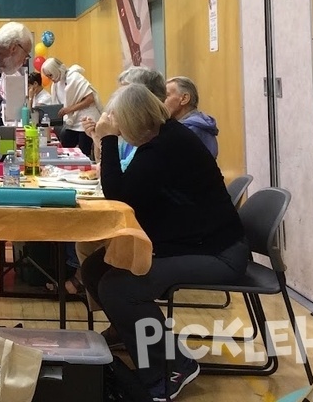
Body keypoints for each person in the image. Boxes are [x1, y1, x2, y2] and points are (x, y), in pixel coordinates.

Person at [78, 83, 247, 400]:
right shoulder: (161, 139)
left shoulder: (167, 146)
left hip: (218, 253)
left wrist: (108, 139)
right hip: (189, 241)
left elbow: (120, 196)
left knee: (118, 287)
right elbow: (130, 193)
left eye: (121, 123)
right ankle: (127, 332)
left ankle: (173, 366)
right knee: (94, 269)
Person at [41, 58, 102, 156]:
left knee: (84, 151)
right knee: (66, 143)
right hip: (72, 119)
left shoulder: (74, 77)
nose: (50, 78)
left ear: (56, 70)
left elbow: (90, 98)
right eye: (48, 76)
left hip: (86, 119)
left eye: (51, 75)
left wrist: (69, 109)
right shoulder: (56, 85)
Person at [165, 76, 219, 158]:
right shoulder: (201, 125)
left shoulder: (190, 130)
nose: (161, 101)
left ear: (184, 99)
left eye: (166, 96)